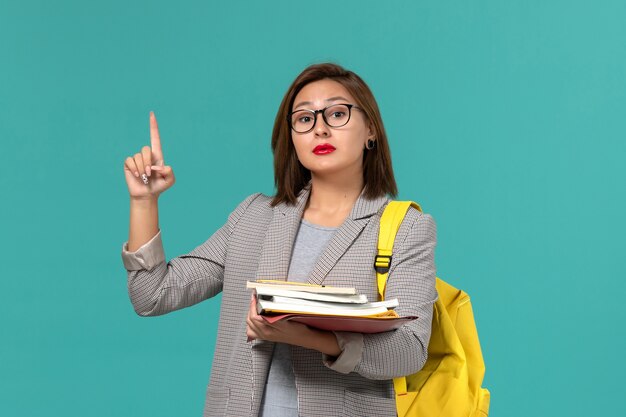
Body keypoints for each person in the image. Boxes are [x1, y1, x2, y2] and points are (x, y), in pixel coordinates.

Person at [121, 63, 437, 417]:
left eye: (336, 113)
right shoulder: (253, 217)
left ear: (371, 130)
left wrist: (305, 337)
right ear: (292, 138)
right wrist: (143, 202)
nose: (319, 129)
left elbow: (409, 351)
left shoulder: (407, 228)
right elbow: (152, 295)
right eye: (304, 119)